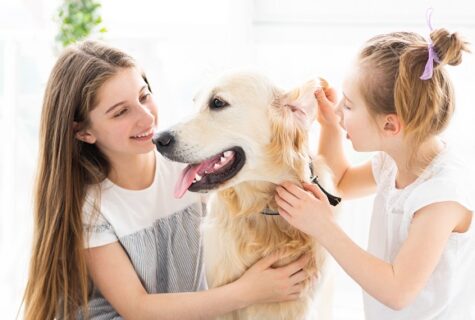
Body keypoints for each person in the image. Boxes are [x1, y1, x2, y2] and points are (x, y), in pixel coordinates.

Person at [23, 40, 311, 320]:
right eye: (121, 112)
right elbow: (138, 309)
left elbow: (283, 164)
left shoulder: (192, 167)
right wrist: (248, 292)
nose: (146, 117)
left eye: (144, 95)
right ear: (84, 132)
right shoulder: (93, 207)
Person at [275, 26, 475, 319]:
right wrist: (330, 126)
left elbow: (398, 291)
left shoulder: (441, 197)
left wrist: (324, 228)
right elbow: (341, 182)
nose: (340, 108)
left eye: (350, 105)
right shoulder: (395, 159)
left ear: (390, 126)